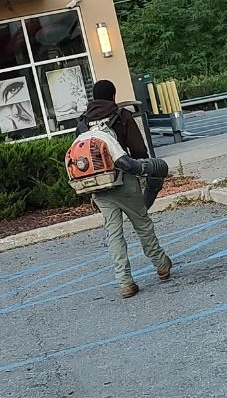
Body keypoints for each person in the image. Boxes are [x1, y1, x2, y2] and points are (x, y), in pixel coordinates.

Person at [78, 80, 172, 298]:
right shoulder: (121, 115)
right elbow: (139, 151)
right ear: (113, 95)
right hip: (125, 180)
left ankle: (125, 282)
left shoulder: (83, 122)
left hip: (99, 186)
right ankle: (161, 265)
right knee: (142, 223)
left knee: (114, 233)